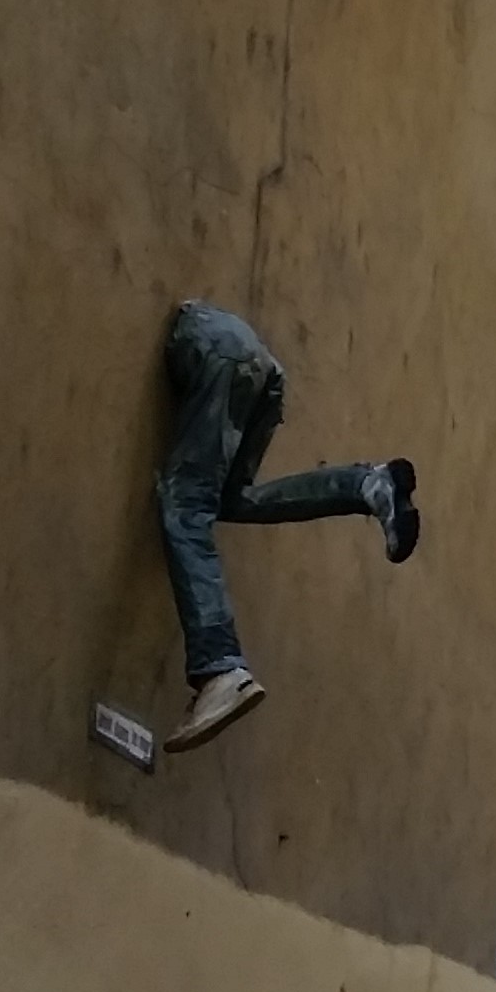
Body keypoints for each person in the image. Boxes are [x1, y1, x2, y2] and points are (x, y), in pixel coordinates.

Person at [154, 297, 419, 753]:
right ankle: (364, 484)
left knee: (184, 506)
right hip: (261, 367)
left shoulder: (195, 334)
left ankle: (218, 664)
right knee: (229, 500)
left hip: (216, 346)